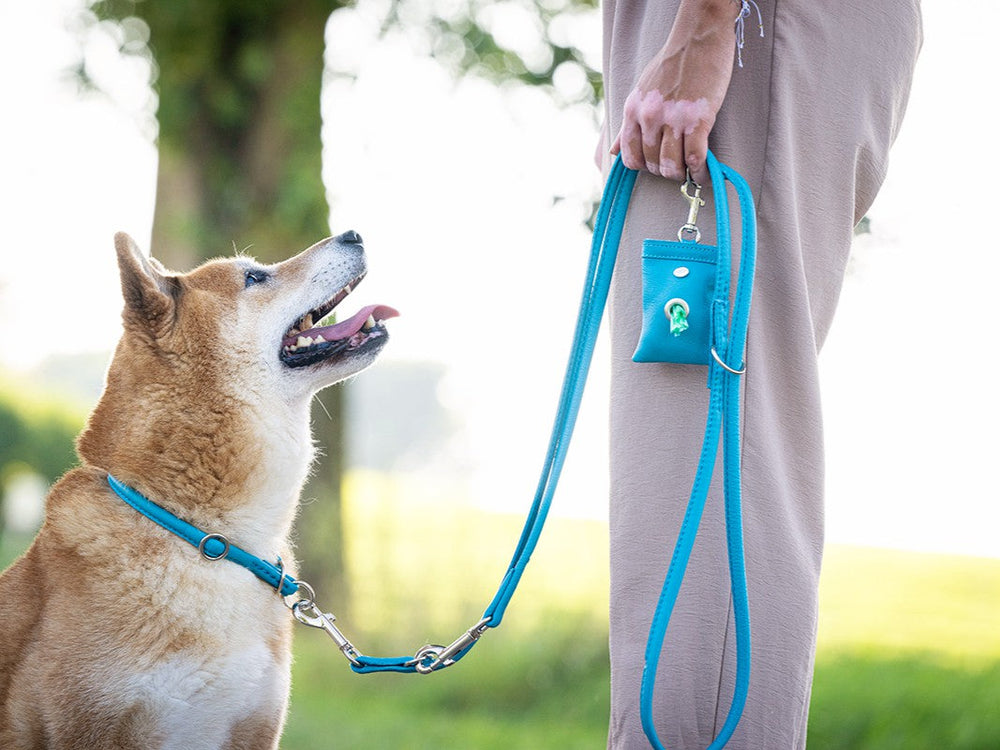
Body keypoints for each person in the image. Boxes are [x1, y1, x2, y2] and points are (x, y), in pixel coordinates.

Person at [599, 0, 922, 747]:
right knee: (710, 454)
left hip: (748, 26)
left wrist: (704, 28)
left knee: (700, 469)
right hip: (737, 30)